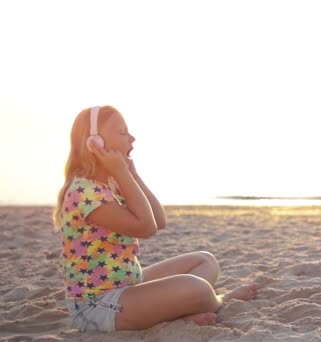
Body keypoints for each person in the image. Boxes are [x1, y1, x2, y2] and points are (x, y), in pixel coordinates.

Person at [52, 105, 260, 332]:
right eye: (122, 133)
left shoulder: (109, 185)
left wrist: (131, 174)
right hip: (99, 306)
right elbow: (146, 227)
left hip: (127, 286)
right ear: (95, 142)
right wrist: (122, 173)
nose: (132, 138)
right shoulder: (85, 192)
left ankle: (182, 310)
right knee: (197, 288)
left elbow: (159, 220)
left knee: (204, 260)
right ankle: (221, 299)